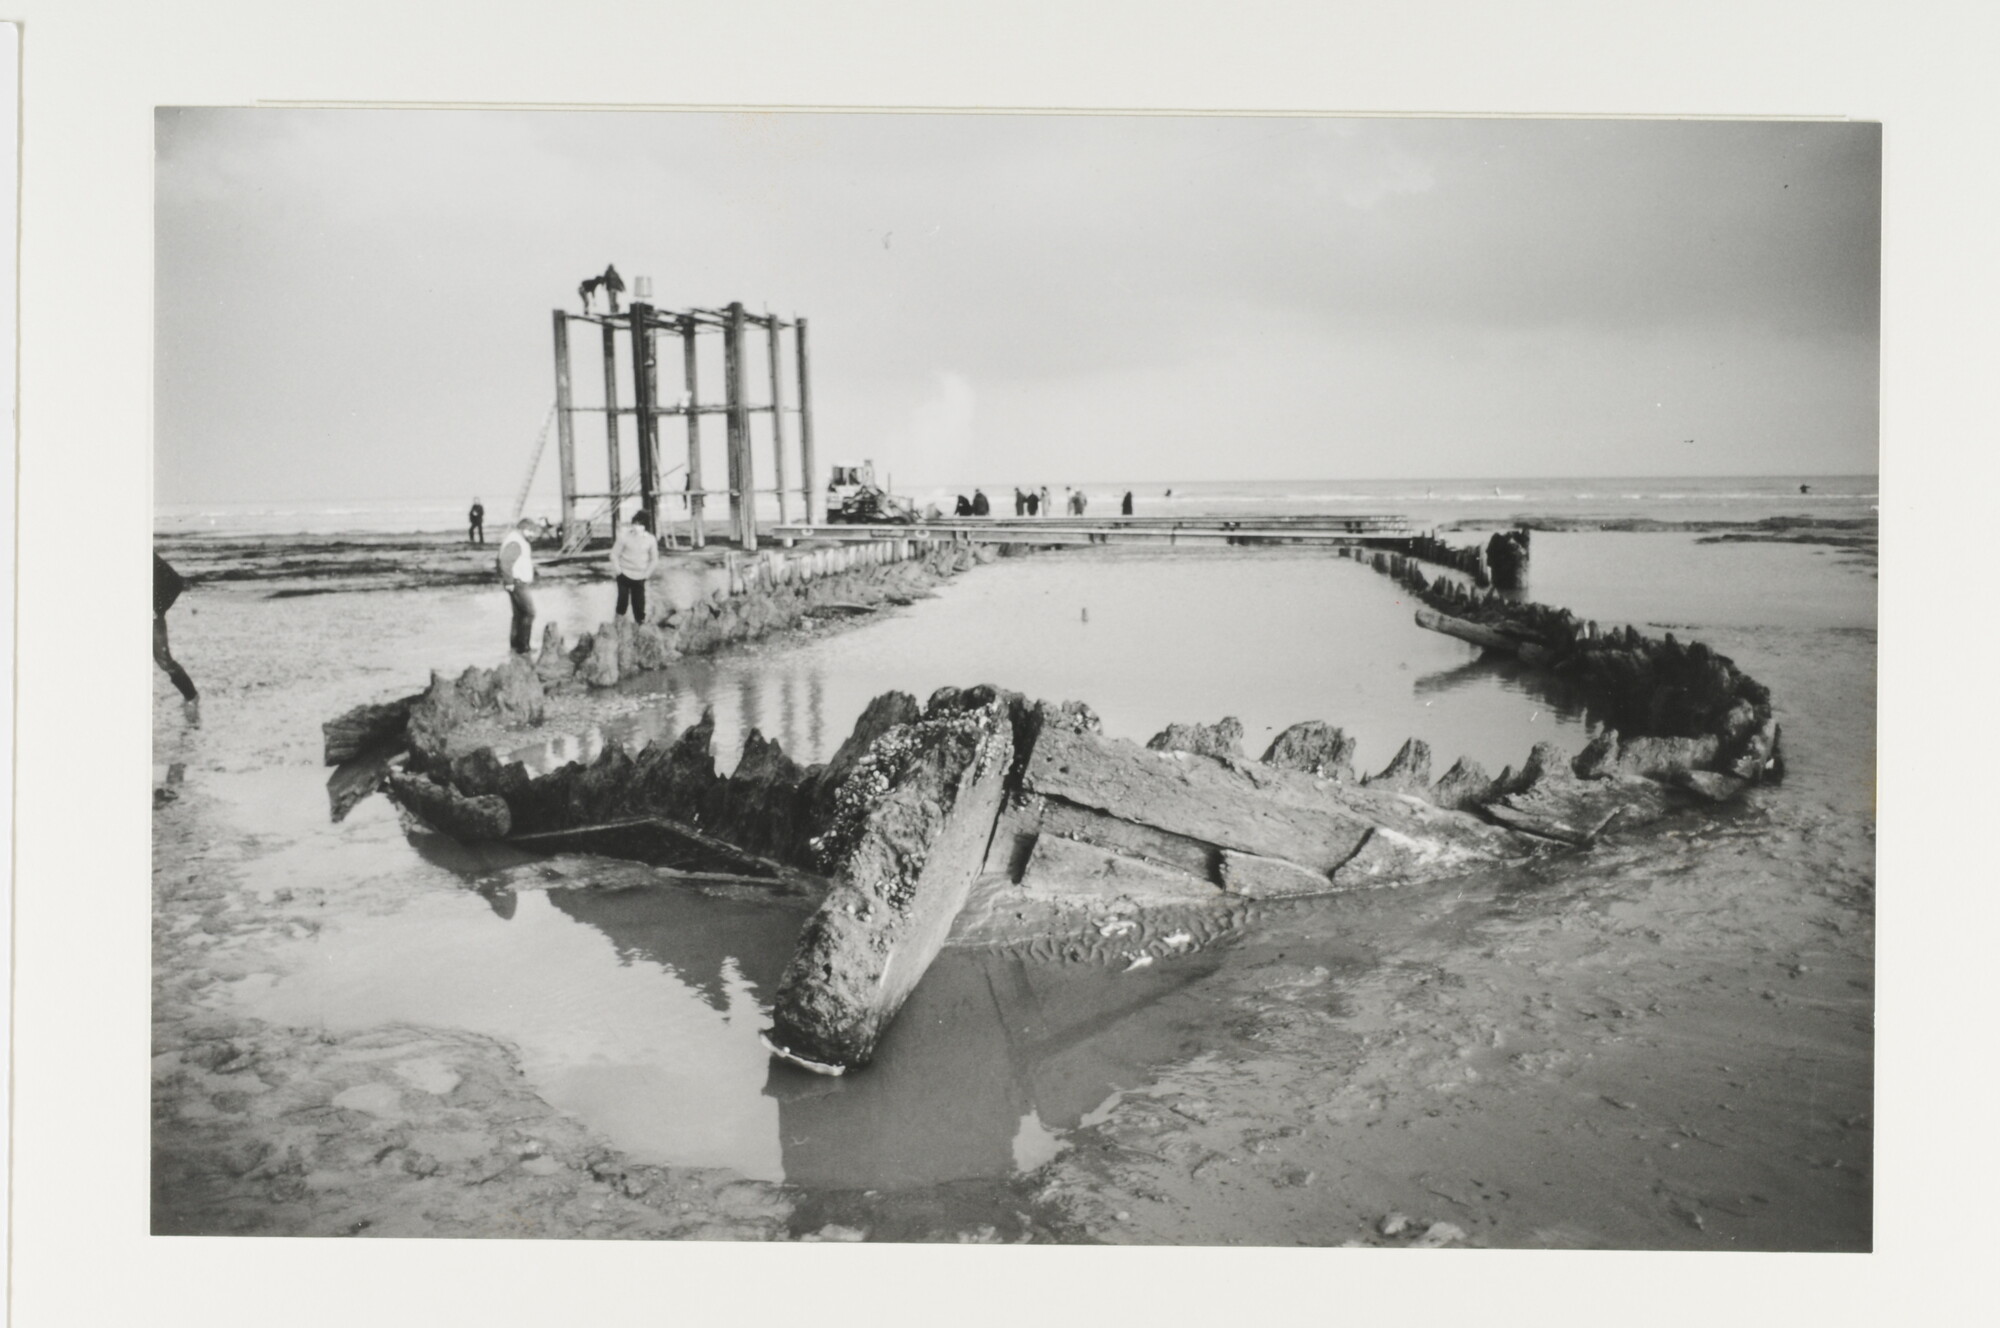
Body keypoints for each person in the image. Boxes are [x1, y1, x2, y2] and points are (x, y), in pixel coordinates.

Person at [154, 552, 200, 725]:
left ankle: (191, 696)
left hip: (151, 620)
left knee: (164, 661)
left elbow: (176, 583)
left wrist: (157, 609)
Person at [609, 510, 659, 624]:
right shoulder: (623, 537)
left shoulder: (651, 539)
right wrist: (618, 572)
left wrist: (647, 574)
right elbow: (613, 554)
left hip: (640, 577)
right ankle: (616, 627)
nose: (637, 527)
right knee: (622, 605)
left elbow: (655, 559)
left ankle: (640, 629)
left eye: (640, 525)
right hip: (623, 575)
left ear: (645, 526)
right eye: (635, 524)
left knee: (639, 607)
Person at [498, 517, 538, 655]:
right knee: (529, 613)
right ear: (523, 529)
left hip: (515, 582)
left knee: (518, 615)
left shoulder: (517, 540)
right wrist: (509, 582)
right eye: (531, 531)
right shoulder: (516, 542)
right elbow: (505, 562)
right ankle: (524, 647)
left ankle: (515, 647)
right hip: (518, 583)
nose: (533, 535)